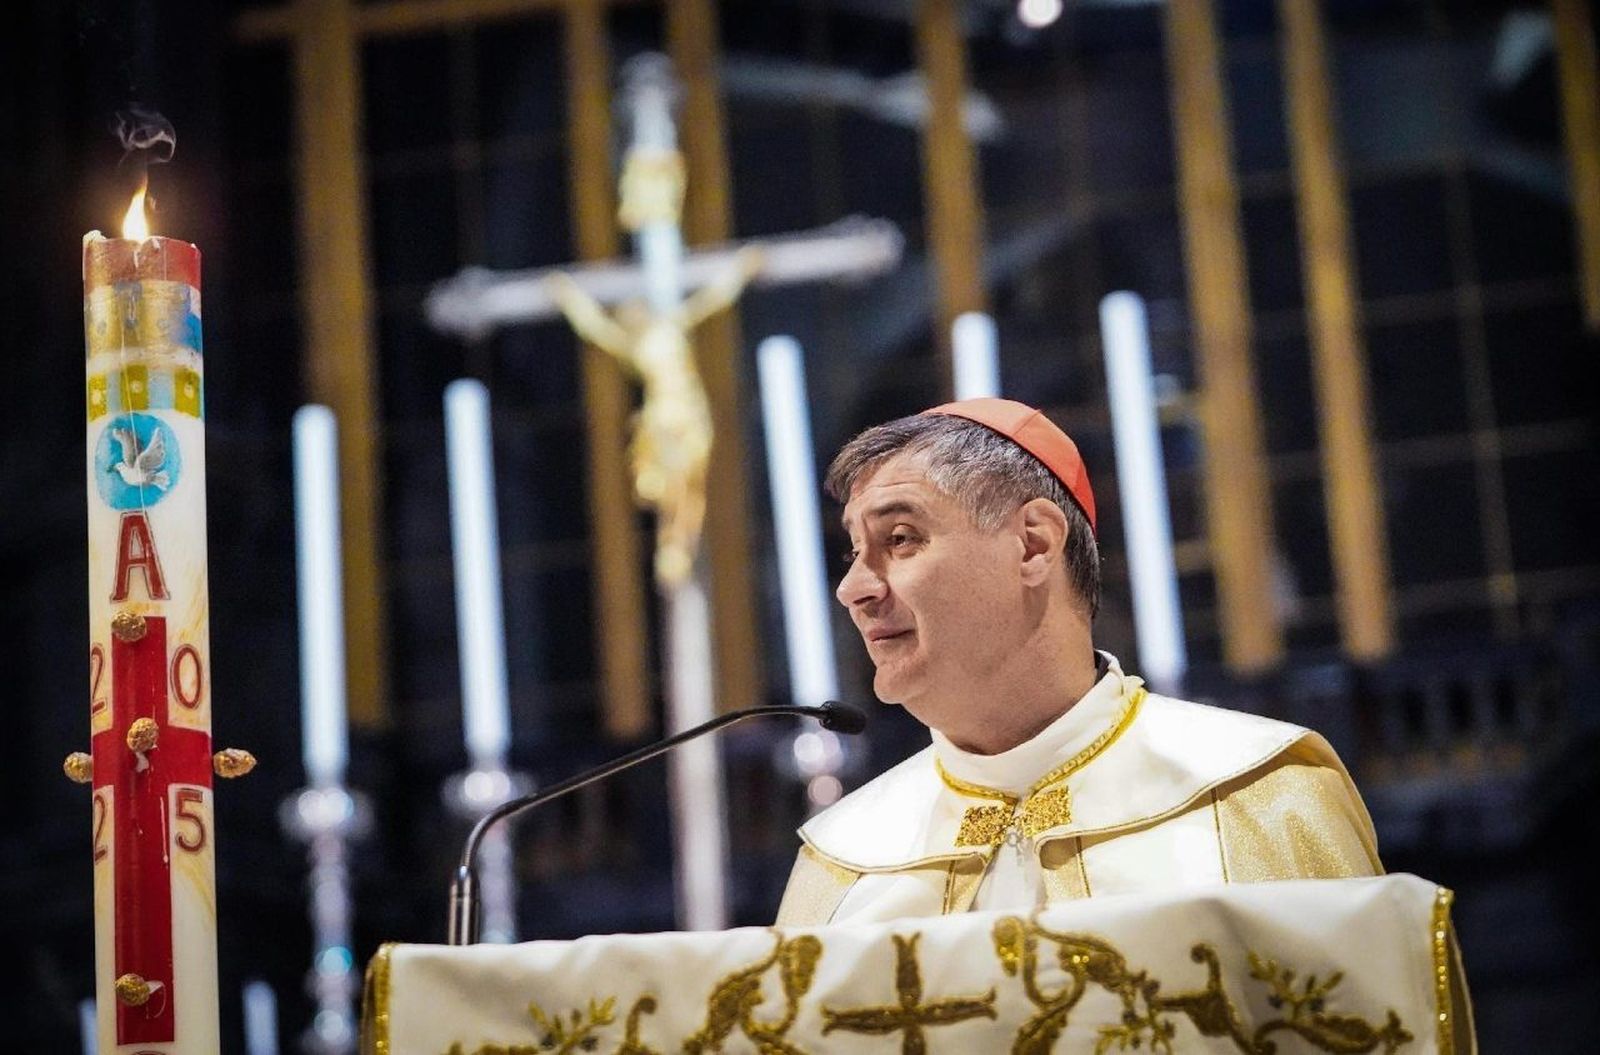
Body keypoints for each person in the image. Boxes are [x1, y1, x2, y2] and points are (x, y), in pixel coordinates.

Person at [776, 398, 1382, 927]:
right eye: (854, 552)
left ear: (1033, 543)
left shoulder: (1259, 798)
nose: (852, 589)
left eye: (900, 539)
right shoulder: (843, 862)